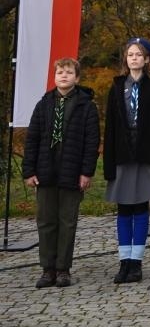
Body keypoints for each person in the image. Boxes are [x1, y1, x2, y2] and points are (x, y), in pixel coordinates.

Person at [22, 57, 100, 288]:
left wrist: (86, 172)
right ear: (54, 77)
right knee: (46, 221)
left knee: (67, 221)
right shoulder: (43, 104)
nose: (63, 76)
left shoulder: (86, 106)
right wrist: (29, 171)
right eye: (59, 73)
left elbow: (91, 142)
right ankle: (47, 268)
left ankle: (63, 268)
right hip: (46, 171)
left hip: (72, 172)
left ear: (76, 77)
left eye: (68, 72)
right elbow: (32, 139)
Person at [103, 37, 150, 284]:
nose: (134, 58)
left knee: (140, 207)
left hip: (145, 156)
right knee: (123, 208)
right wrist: (109, 163)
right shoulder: (117, 87)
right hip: (122, 156)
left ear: (147, 59)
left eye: (139, 54)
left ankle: (137, 262)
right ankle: (124, 261)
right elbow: (109, 128)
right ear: (125, 59)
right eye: (130, 54)